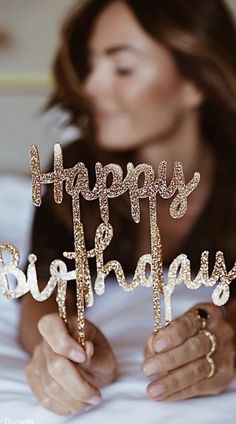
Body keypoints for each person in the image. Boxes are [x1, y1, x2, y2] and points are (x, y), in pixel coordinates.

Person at [19, 0, 236, 416]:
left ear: (196, 83)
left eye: (122, 68)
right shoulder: (74, 172)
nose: (91, 87)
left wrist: (227, 341)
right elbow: (43, 288)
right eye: (91, 64)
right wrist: (62, 346)